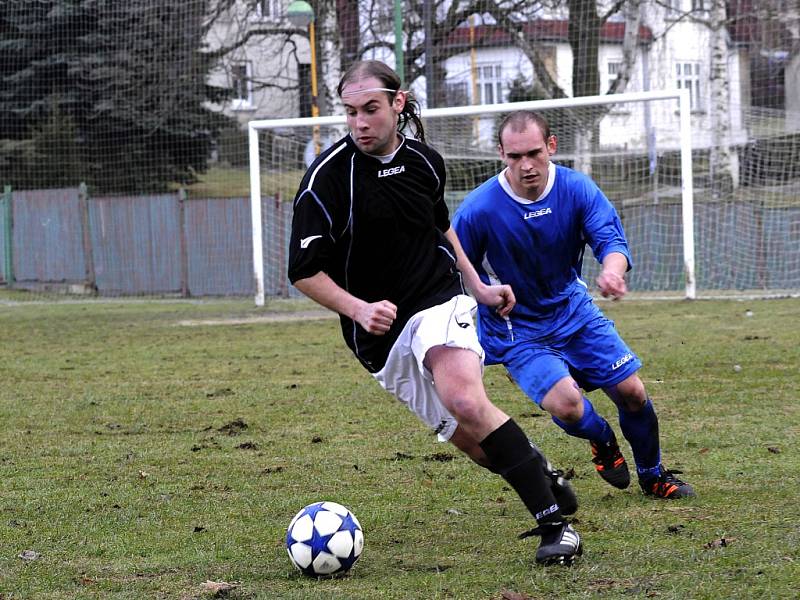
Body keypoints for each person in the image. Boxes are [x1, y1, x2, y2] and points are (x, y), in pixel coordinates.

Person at [287, 61, 582, 566]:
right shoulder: (327, 179)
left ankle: (556, 525)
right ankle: (537, 467)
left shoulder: (426, 162)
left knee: (465, 398)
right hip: (379, 338)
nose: (360, 123)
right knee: (474, 444)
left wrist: (478, 284)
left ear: (398, 104)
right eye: (351, 112)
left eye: (371, 110)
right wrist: (358, 309)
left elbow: (440, 230)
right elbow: (302, 270)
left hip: (439, 298)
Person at [452, 110, 695, 500]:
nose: (525, 165)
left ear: (551, 146)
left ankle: (653, 475)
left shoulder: (577, 188)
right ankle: (602, 439)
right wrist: (480, 292)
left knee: (632, 391)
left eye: (533, 152)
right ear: (501, 154)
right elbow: (453, 266)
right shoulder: (479, 208)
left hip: (573, 310)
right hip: (517, 328)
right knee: (567, 406)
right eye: (514, 157)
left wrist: (613, 272)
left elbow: (610, 240)